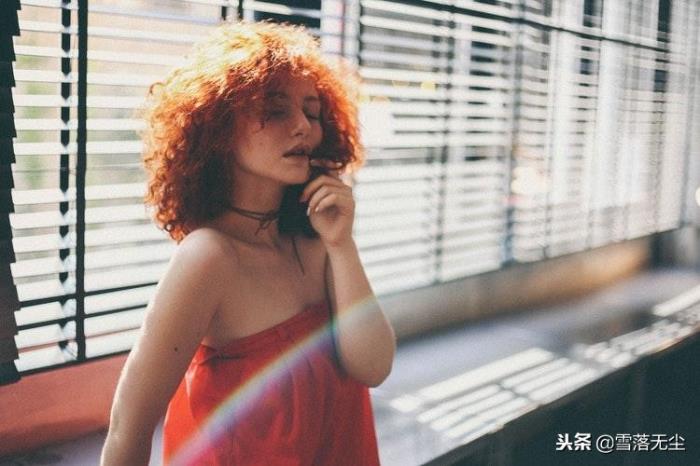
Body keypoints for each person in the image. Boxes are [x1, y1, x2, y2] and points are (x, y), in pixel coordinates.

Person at [99, 20, 396, 466]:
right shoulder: (208, 257)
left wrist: (342, 245)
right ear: (218, 126)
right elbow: (129, 427)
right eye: (275, 110)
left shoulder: (318, 243)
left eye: (312, 111)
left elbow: (374, 367)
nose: (303, 126)